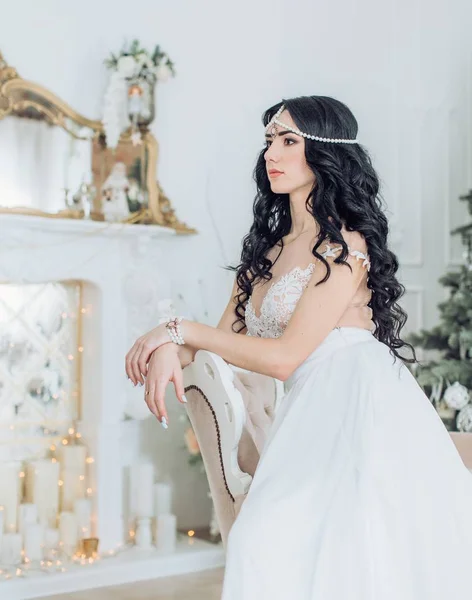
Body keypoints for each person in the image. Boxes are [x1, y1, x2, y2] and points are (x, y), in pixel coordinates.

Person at [125, 96, 472, 599]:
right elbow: (222, 345)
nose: (272, 152)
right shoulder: (263, 257)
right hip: (311, 409)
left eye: (289, 140)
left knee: (316, 543)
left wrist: (177, 328)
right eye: (270, 139)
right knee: (266, 540)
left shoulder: (346, 247)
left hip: (361, 405)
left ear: (326, 155)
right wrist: (165, 344)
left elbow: (286, 356)